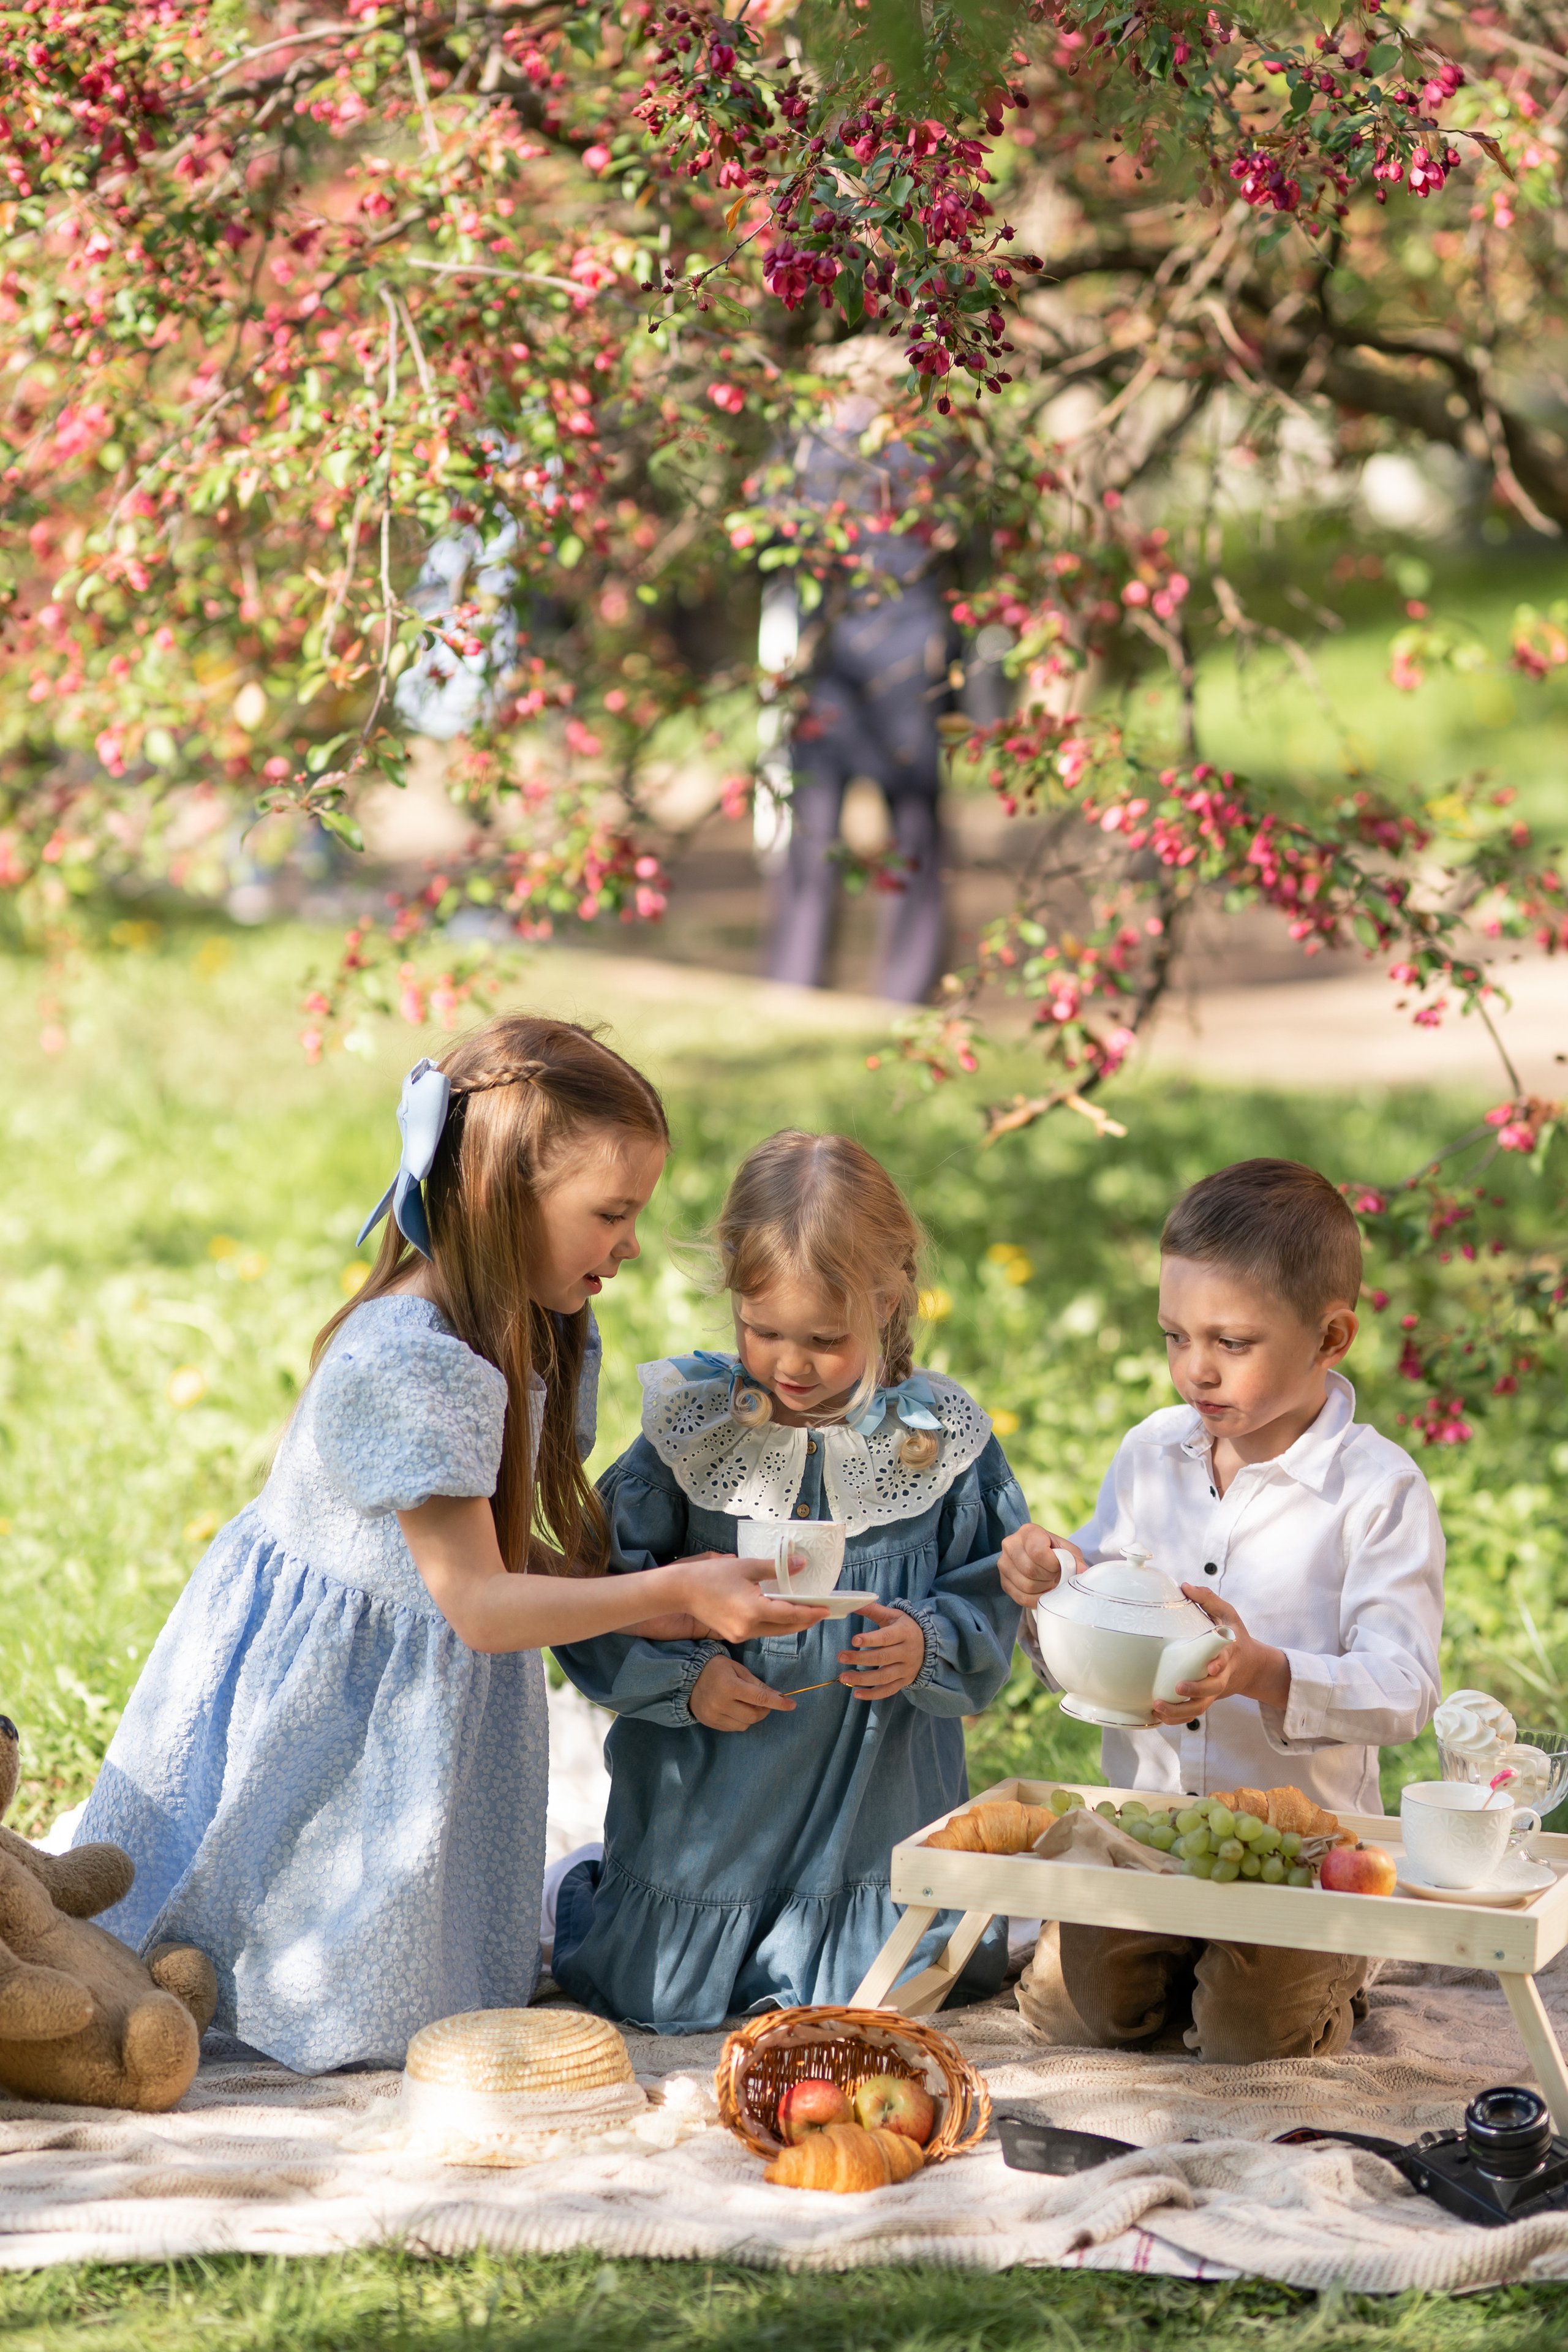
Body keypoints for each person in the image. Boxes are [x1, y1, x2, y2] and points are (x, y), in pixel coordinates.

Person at [72, 1017, 825, 2072]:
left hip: (418, 1684)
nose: (631, 1244)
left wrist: (658, 1602)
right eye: (611, 1213)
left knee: (450, 1994)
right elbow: (476, 1602)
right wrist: (685, 1588)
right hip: (336, 1704)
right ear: (502, 1198)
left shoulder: (527, 1325)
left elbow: (505, 1563)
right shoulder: (410, 1365)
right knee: (334, 1994)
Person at [551, 1131, 1027, 2030]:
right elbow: (599, 1597)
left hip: (872, 1802)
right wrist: (687, 1679)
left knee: (876, 1997)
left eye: (823, 1339)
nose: (790, 1363)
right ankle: (611, 1893)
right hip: (715, 1797)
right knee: (654, 1993)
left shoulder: (936, 1440)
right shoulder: (696, 1432)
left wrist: (929, 1641)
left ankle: (840, 1924)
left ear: (889, 1302)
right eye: (761, 1331)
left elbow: (991, 1586)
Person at [1000, 1158, 1445, 2063]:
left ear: (1332, 1337)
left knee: (1249, 2039)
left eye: (1231, 1343)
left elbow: (1406, 1689)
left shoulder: (1376, 1491)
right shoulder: (1151, 1453)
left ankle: (1327, 1965)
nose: (1194, 1369)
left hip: (1297, 1862)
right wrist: (1051, 1591)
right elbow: (1097, 1615)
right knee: (1071, 2017)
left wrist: (1264, 1673)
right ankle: (1177, 1962)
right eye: (1175, 1336)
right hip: (1149, 1834)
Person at [762, 403, 956, 1004]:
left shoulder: (812, 443)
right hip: (859, 657)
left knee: (850, 826)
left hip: (875, 655)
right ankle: (881, 984)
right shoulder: (927, 444)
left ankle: (808, 977)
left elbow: (770, 536)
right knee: (857, 826)